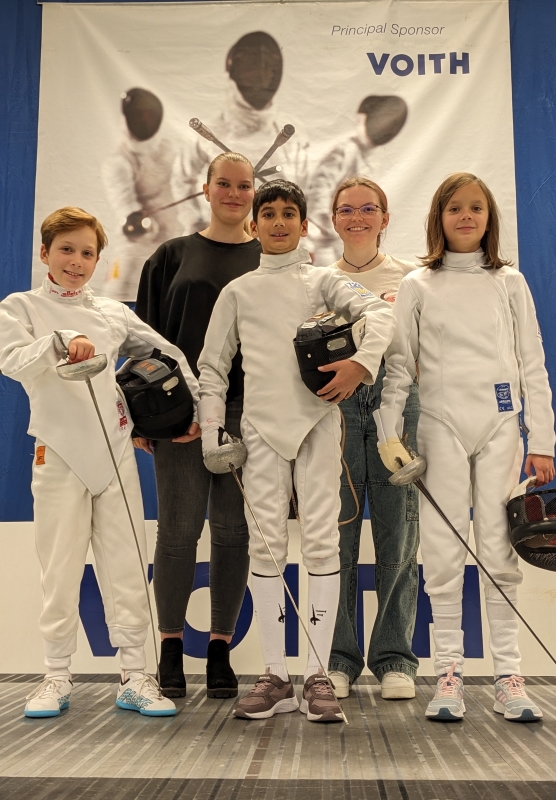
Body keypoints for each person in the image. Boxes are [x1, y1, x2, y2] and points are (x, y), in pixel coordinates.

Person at [197, 179, 394, 723]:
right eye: (270, 214)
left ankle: (316, 675)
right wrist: (214, 429)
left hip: (317, 425)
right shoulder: (237, 292)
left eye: (290, 213)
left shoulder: (324, 280)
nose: (279, 222)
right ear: (253, 225)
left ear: (305, 226)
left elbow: (378, 315)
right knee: (265, 551)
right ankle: (277, 675)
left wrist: (362, 364)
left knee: (322, 546)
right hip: (260, 433)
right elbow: (212, 366)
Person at [0, 207, 200, 718]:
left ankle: (137, 676)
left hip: (114, 456)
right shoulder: (19, 308)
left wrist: (192, 410)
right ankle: (55, 676)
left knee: (128, 569)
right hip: (58, 453)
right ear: (45, 253)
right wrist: (62, 342)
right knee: (60, 570)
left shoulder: (112, 313)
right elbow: (12, 361)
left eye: (88, 252)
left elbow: (168, 353)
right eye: (66, 249)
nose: (77, 261)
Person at [378, 173, 556, 722]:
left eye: (476, 208)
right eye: (455, 207)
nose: (466, 216)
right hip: (438, 425)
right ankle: (448, 675)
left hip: (500, 426)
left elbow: (532, 362)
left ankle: (509, 676)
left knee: (499, 550)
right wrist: (389, 430)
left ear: (489, 217)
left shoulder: (510, 281)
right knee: (444, 548)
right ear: (439, 215)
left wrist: (541, 439)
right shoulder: (418, 284)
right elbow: (400, 364)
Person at [135, 152, 261, 700]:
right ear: (205, 189)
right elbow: (142, 342)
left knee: (234, 533)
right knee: (178, 533)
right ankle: (167, 652)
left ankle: (218, 652)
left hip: (247, 415)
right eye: (224, 184)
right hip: (181, 415)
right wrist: (146, 419)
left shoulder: (269, 257)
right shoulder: (172, 255)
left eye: (244, 186)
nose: (234, 193)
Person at [324, 177, 420, 701]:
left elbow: (428, 347)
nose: (357, 217)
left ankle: (393, 659)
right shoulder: (317, 279)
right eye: (346, 209)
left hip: (397, 404)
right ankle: (338, 657)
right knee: (336, 535)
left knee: (398, 535)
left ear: (385, 218)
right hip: (334, 406)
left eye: (368, 209)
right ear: (333, 219)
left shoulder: (411, 277)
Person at [172, 32, 309, 234]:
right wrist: (195, 222)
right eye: (253, 64)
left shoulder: (292, 135)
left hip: (276, 244)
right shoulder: (208, 134)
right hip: (217, 243)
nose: (263, 74)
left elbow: (307, 190)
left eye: (269, 66)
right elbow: (181, 180)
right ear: (233, 68)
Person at [102, 88, 184, 302]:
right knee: (116, 308)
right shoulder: (119, 163)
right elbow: (128, 214)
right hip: (134, 253)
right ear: (128, 117)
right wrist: (146, 224)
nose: (145, 118)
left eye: (149, 113)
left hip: (171, 250)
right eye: (139, 114)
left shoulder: (170, 150)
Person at [307, 96, 407, 263]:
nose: (386, 128)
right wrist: (332, 227)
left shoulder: (368, 156)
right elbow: (320, 190)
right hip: (325, 244)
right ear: (362, 119)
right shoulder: (347, 150)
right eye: (381, 120)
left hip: (344, 241)